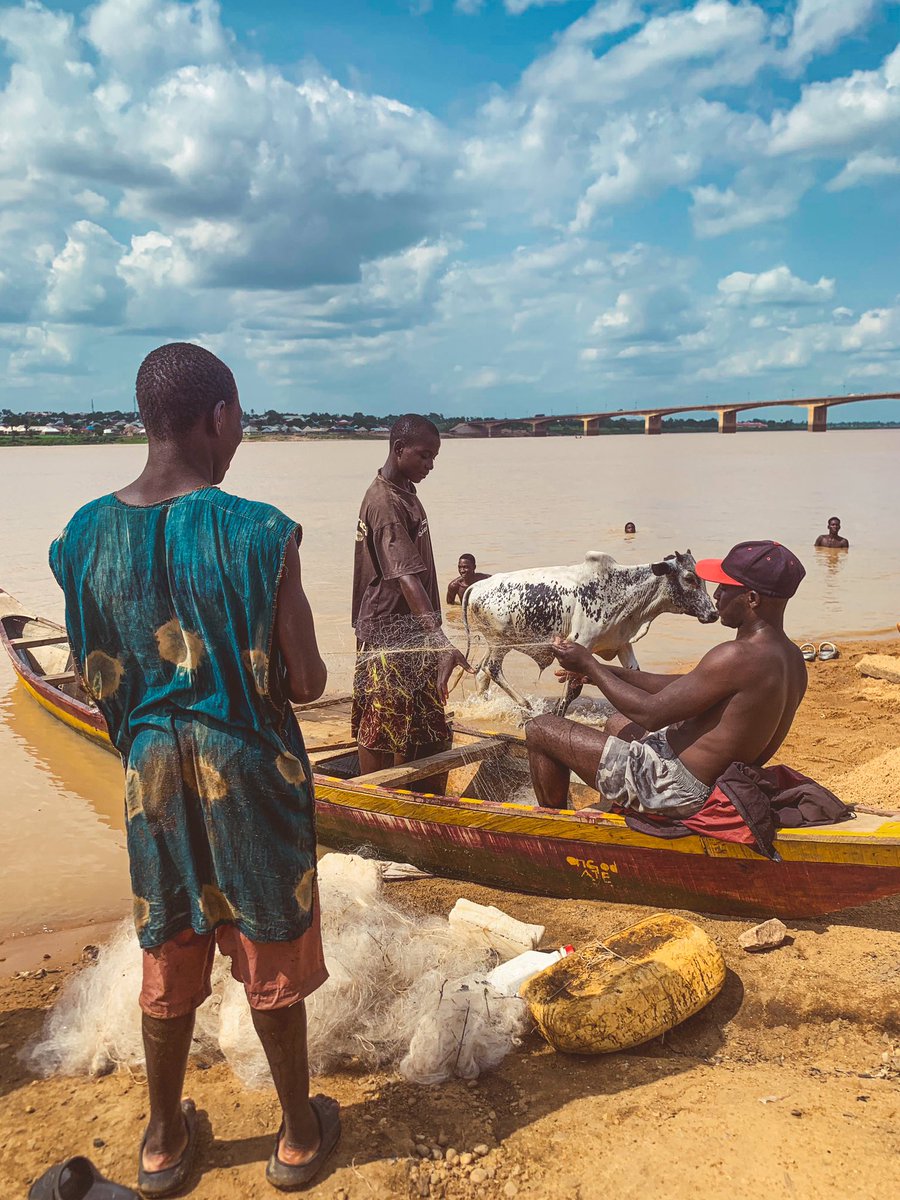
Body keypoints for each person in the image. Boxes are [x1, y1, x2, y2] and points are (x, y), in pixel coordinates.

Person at [50, 344, 340, 1196]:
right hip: (248, 770)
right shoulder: (261, 533)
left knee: (168, 942)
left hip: (149, 774)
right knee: (269, 946)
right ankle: (294, 1137)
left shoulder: (79, 537)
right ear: (217, 417)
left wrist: (149, 733)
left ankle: (165, 1140)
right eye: (240, 415)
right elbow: (307, 680)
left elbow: (98, 680)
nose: (242, 431)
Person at [525, 540, 808, 813]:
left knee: (540, 728)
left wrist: (589, 663)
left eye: (725, 588)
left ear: (752, 599)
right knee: (617, 723)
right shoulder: (792, 659)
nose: (717, 595)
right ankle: (614, 814)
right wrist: (607, 672)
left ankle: (557, 833)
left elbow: (652, 714)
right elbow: (686, 686)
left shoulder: (737, 655)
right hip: (720, 780)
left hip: (676, 789)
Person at [352, 414, 471, 792]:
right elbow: (405, 575)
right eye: (424, 456)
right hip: (388, 634)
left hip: (414, 631)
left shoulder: (405, 489)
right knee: (383, 726)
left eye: (434, 457)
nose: (430, 465)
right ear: (399, 449)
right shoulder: (384, 502)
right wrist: (439, 641)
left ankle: (423, 804)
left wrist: (430, 636)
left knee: (427, 728)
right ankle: (375, 803)